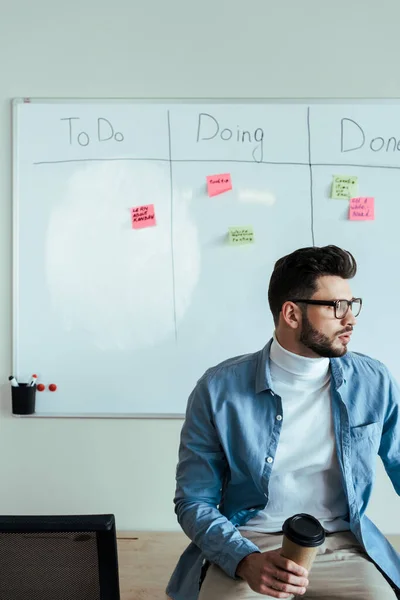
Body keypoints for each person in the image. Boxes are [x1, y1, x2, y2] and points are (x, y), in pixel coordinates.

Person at [166, 245, 400, 600]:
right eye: (337, 307)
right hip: (248, 543)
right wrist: (244, 559)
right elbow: (194, 500)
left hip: (342, 543)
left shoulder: (373, 381)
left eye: (352, 305)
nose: (350, 319)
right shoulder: (219, 389)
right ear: (291, 313)